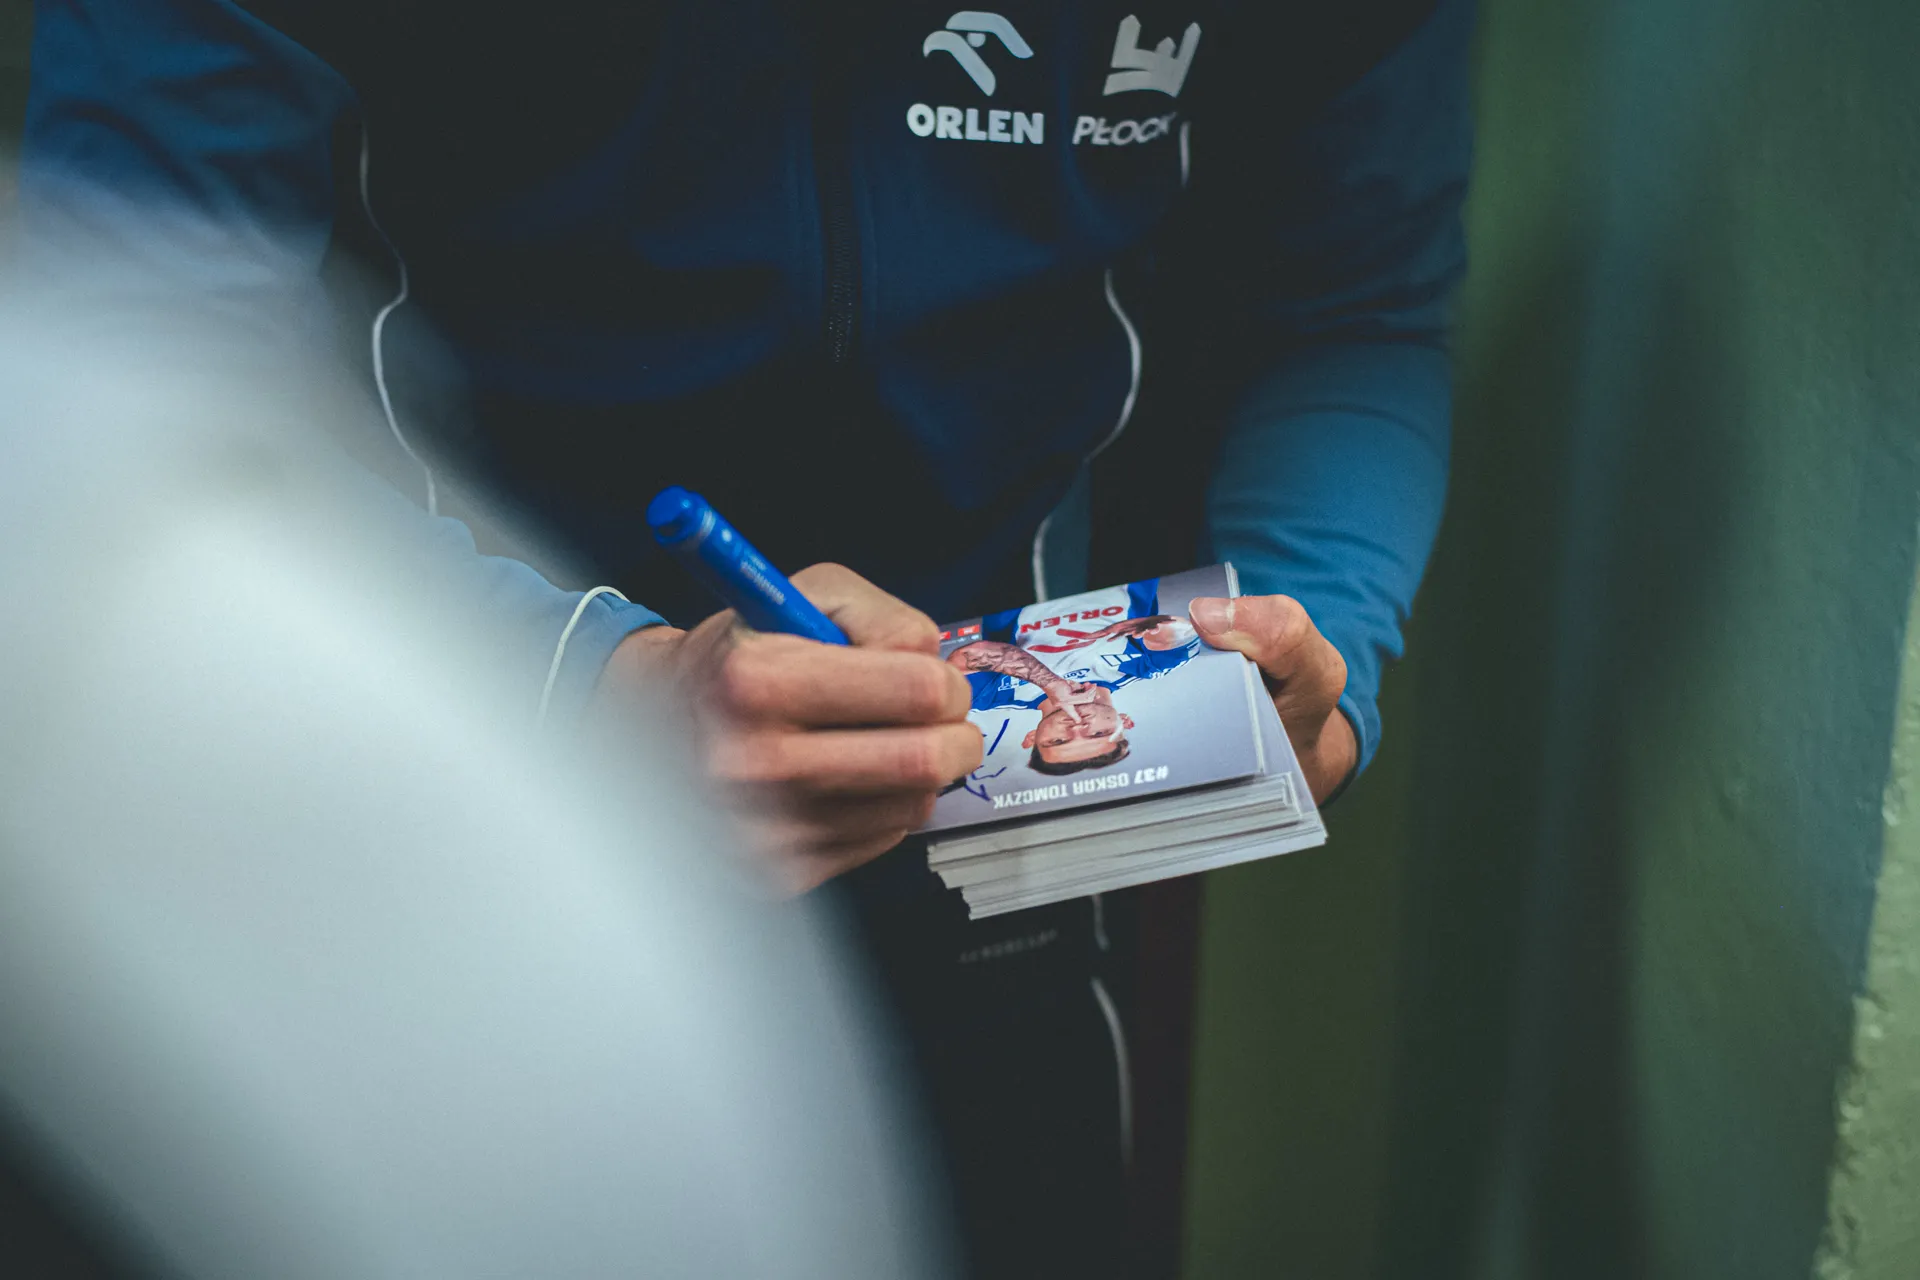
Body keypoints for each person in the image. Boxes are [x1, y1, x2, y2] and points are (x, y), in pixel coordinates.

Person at [19, 0, 1471, 1273]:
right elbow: (120, 370)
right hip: (417, 848)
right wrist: (581, 688)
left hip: (993, 889)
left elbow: (1351, 306)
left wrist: (1315, 652)